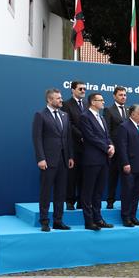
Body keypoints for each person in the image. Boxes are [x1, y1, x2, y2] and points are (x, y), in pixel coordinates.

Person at [32, 88, 74, 232]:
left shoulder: (65, 115)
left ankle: (58, 221)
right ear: (50, 100)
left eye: (61, 98)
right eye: (58, 98)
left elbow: (68, 138)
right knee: (45, 192)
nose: (61, 100)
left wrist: (70, 156)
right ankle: (44, 221)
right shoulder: (40, 115)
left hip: (63, 160)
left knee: (60, 192)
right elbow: (37, 139)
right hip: (48, 161)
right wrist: (41, 158)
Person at [79, 93, 115, 231]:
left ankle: (98, 219)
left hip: (104, 160)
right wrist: (107, 148)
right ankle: (89, 221)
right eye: (101, 100)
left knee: (99, 192)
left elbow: (107, 136)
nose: (103, 102)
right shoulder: (85, 117)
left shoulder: (102, 117)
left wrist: (111, 145)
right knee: (88, 192)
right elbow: (90, 137)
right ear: (93, 102)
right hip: (92, 160)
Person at [116, 104, 139, 227]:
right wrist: (125, 163)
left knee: (136, 193)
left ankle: (133, 216)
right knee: (127, 192)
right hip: (129, 166)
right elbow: (122, 147)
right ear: (132, 114)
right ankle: (126, 217)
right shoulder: (124, 127)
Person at [62, 81, 86, 210]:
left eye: (84, 89)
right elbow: (69, 124)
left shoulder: (87, 104)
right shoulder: (66, 104)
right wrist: (82, 135)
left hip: (87, 147)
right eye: (80, 88)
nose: (83, 91)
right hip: (73, 146)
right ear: (73, 90)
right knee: (72, 175)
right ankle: (70, 201)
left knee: (85, 174)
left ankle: (82, 201)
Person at [103, 86, 129, 209]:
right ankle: (110, 201)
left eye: (124, 95)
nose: (123, 97)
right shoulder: (109, 110)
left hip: (128, 151)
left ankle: (126, 202)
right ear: (114, 96)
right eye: (120, 95)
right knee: (113, 177)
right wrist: (111, 145)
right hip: (114, 151)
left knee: (127, 179)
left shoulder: (130, 111)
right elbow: (107, 130)